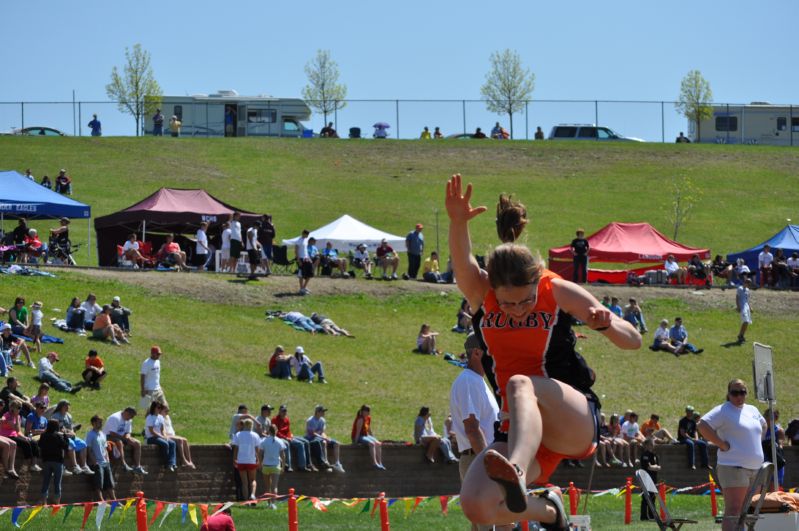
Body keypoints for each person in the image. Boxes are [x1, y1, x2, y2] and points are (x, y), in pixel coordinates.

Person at [445, 174, 641, 526]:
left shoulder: (557, 290)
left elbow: (634, 339)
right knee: (475, 504)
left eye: (526, 302)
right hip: (521, 429)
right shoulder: (481, 294)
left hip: (571, 418)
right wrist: (458, 222)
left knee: (521, 382)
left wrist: (607, 325)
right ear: (492, 289)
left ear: (539, 281)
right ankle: (550, 511)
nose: (518, 310)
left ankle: (516, 473)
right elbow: (463, 265)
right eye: (508, 304)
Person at [698, 379, 766, 531]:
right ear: (728, 394)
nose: (739, 396)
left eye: (742, 392)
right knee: (734, 511)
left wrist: (756, 442)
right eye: (734, 392)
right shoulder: (723, 410)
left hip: (755, 469)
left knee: (747, 511)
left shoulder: (752, 409)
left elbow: (764, 424)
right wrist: (721, 444)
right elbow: (702, 425)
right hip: (733, 467)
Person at [449, 333, 500, 531]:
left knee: (482, 525)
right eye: (491, 352)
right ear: (478, 353)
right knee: (487, 524)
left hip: (478, 458)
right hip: (478, 459)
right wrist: (488, 463)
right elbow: (472, 428)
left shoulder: (477, 381)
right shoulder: (469, 382)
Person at [50, 399, 92, 475]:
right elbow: (55, 429)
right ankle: (75, 466)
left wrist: (72, 432)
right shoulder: (55, 416)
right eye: (66, 405)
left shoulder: (69, 416)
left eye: (68, 405)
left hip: (69, 435)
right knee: (71, 443)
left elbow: (70, 427)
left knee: (83, 444)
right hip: (60, 436)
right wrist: (66, 434)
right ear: (61, 406)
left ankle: (84, 466)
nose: (68, 407)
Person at [103, 407, 147, 474]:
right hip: (108, 436)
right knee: (119, 442)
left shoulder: (128, 420)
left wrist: (128, 437)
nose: (131, 418)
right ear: (126, 413)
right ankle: (123, 464)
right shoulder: (115, 418)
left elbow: (128, 432)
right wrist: (124, 439)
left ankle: (137, 467)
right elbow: (112, 433)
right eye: (131, 416)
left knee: (137, 443)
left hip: (121, 436)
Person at [272, 404, 314, 472]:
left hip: (288, 437)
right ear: (279, 411)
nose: (284, 413)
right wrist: (286, 438)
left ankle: (303, 466)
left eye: (285, 411)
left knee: (302, 443)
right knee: (287, 445)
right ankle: (288, 466)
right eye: (282, 411)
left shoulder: (287, 419)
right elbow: (276, 432)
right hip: (279, 437)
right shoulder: (275, 419)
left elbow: (288, 430)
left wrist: (290, 436)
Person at [0, 401, 40, 471]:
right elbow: (15, 427)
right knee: (25, 444)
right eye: (17, 407)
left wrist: (24, 437)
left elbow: (18, 431)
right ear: (11, 407)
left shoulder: (18, 417)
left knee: (33, 442)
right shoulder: (7, 415)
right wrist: (13, 417)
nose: (19, 409)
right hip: (7, 435)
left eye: (20, 408)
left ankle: (34, 463)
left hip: (15, 435)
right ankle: (27, 463)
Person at [38, 419, 69, 505]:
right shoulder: (58, 436)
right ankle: (56, 501)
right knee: (57, 482)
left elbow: (40, 445)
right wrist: (65, 435)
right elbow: (65, 446)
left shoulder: (43, 435)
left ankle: (43, 501)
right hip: (57, 461)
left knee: (46, 482)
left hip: (46, 461)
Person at [85, 415, 116, 501]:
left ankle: (114, 500)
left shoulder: (103, 434)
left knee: (110, 482)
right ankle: (101, 500)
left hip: (105, 462)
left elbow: (105, 448)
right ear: (94, 423)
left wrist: (107, 460)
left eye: (101, 422)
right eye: (99, 422)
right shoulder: (90, 434)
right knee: (98, 483)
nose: (101, 424)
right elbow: (89, 449)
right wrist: (94, 462)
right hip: (96, 463)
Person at [305, 405, 342, 472]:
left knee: (337, 443)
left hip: (320, 437)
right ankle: (326, 461)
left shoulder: (322, 420)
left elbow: (322, 432)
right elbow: (312, 433)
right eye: (322, 411)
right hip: (311, 439)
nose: (324, 413)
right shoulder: (310, 421)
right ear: (317, 412)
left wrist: (325, 437)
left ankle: (337, 463)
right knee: (324, 442)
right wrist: (324, 438)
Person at [145, 401, 177, 471]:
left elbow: (162, 429)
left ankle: (172, 463)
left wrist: (165, 436)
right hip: (151, 438)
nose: (160, 409)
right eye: (158, 407)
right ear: (154, 408)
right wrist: (161, 437)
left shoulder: (160, 417)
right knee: (165, 444)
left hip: (159, 437)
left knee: (172, 443)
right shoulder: (150, 417)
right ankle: (167, 464)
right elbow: (152, 431)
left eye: (161, 408)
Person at [351, 405, 385, 470]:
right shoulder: (360, 419)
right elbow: (357, 432)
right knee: (371, 443)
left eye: (369, 411)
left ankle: (380, 463)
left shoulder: (368, 418)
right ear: (363, 412)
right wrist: (355, 442)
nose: (369, 413)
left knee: (378, 443)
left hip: (365, 435)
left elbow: (369, 429)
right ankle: (374, 463)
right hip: (358, 436)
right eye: (367, 411)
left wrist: (373, 438)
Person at [258, 424, 284, 508]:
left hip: (266, 465)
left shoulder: (264, 441)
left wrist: (260, 463)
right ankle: (273, 504)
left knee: (267, 486)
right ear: (276, 431)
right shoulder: (280, 441)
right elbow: (283, 455)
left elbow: (260, 454)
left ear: (268, 431)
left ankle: (268, 503)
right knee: (274, 486)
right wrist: (283, 466)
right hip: (275, 465)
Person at [161, 404, 195, 468]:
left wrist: (174, 435)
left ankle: (190, 460)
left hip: (172, 435)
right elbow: (163, 432)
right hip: (166, 435)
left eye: (168, 411)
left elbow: (170, 429)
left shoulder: (167, 417)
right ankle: (183, 460)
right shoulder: (160, 418)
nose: (167, 412)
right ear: (161, 410)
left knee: (185, 439)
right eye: (166, 411)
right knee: (180, 440)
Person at [678, 405, 709, 470]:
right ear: (686, 412)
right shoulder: (683, 421)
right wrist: (692, 439)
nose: (691, 413)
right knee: (691, 444)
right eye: (689, 411)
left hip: (692, 438)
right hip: (683, 439)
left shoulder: (693, 421)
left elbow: (695, 431)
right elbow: (682, 433)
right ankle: (692, 464)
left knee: (703, 444)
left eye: (692, 411)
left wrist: (696, 438)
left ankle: (705, 464)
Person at [639, 438, 661, 521]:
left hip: (654, 478)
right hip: (646, 478)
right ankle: (644, 516)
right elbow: (649, 467)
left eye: (653, 444)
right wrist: (654, 467)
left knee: (652, 497)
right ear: (647, 445)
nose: (653, 446)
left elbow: (659, 467)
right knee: (645, 498)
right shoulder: (645, 455)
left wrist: (654, 467)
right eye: (651, 444)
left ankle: (652, 515)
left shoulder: (654, 455)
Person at [295, 229, 313, 295]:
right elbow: (296, 251)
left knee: (310, 273)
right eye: (306, 234)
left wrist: (309, 258)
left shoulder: (306, 240)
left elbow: (305, 250)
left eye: (308, 235)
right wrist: (299, 260)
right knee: (301, 274)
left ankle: (304, 287)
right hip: (301, 259)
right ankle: (301, 289)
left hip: (306, 259)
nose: (307, 236)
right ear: (303, 233)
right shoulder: (298, 241)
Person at [736, 278, 752, 344]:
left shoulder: (748, 290)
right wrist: (738, 307)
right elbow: (737, 298)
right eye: (747, 282)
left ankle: (742, 335)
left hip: (747, 307)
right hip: (742, 308)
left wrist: (750, 308)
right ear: (744, 282)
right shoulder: (740, 288)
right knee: (745, 321)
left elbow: (747, 300)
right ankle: (740, 335)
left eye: (749, 283)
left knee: (747, 322)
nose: (748, 284)